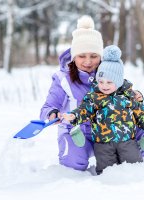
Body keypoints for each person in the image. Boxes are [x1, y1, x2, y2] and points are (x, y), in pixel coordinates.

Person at [40, 15, 144, 171]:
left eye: (94, 56)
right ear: (74, 56)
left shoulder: (108, 72)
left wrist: (136, 95)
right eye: (82, 56)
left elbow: (123, 88)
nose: (88, 62)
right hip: (78, 132)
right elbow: (49, 105)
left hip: (112, 131)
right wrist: (52, 113)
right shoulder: (63, 79)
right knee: (74, 164)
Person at [62, 45, 144, 174]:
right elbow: (84, 110)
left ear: (118, 82)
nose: (104, 86)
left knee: (133, 167)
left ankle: (131, 188)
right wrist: (74, 116)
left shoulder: (129, 96)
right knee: (107, 171)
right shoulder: (94, 97)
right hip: (103, 144)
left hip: (127, 141)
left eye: (109, 82)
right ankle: (107, 188)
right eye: (101, 81)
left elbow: (140, 112)